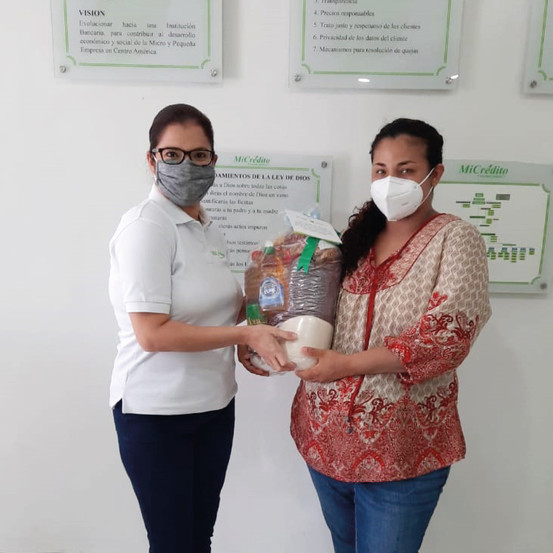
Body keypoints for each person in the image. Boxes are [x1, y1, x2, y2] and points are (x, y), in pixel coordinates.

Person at [289, 118, 491, 553]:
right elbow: (314, 311)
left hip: (402, 452)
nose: (390, 181)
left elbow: (447, 336)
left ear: (435, 174)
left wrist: (346, 366)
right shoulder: (353, 240)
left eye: (406, 169)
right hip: (324, 440)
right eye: (381, 170)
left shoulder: (456, 239)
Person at [108, 103, 295, 553]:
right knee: (173, 543)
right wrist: (244, 335)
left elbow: (217, 311)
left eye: (199, 155)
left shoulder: (206, 227)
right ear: (151, 159)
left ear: (213, 160)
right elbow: (153, 333)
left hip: (214, 406)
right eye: (172, 154)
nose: (186, 165)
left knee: (198, 538)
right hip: (156, 415)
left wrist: (275, 284)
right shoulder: (146, 227)